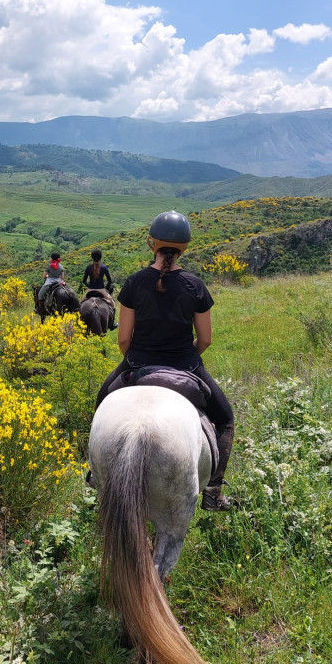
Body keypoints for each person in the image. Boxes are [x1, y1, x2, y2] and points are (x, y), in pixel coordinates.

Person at [94, 210, 235, 511]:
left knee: (101, 399)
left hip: (138, 363)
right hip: (185, 364)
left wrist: (136, 359)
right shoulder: (195, 286)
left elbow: (122, 339)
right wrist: (184, 359)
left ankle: (95, 471)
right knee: (225, 419)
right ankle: (212, 491)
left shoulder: (133, 283)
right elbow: (206, 339)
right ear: (185, 247)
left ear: (151, 244)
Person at [82, 249, 116, 328]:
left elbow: (84, 281)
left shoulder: (88, 267)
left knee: (81, 303)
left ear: (92, 257)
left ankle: (78, 321)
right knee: (113, 304)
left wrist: (89, 286)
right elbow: (109, 281)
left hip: (90, 289)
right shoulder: (104, 267)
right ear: (101, 258)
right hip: (101, 289)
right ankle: (112, 324)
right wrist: (106, 289)